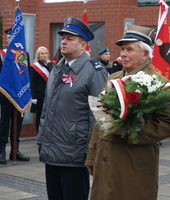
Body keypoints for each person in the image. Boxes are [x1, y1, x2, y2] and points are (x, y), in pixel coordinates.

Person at [85, 24, 170, 200]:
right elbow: (100, 120)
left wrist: (131, 132)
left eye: (129, 49)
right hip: (105, 158)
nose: (123, 54)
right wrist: (91, 156)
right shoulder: (113, 78)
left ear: (145, 53)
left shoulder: (159, 83)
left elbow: (168, 123)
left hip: (134, 161)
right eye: (122, 49)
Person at [37, 17, 108, 200]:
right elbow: (46, 110)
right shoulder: (56, 69)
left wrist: (91, 154)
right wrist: (41, 141)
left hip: (75, 155)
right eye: (63, 38)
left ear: (83, 45)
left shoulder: (94, 71)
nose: (64, 42)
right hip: (52, 152)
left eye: (70, 38)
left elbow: (99, 116)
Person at [0, 27, 30, 164]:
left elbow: (25, 75)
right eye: (9, 37)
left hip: (19, 93)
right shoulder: (2, 54)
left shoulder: (23, 54)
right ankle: (1, 151)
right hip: (4, 94)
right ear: (7, 38)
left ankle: (15, 150)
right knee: (4, 123)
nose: (11, 39)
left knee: (17, 123)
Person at [29, 46, 53, 132]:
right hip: (39, 96)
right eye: (42, 54)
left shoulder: (52, 65)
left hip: (50, 95)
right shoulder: (34, 67)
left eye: (46, 53)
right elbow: (33, 83)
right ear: (38, 56)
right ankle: (39, 135)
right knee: (40, 116)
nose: (44, 55)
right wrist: (34, 97)